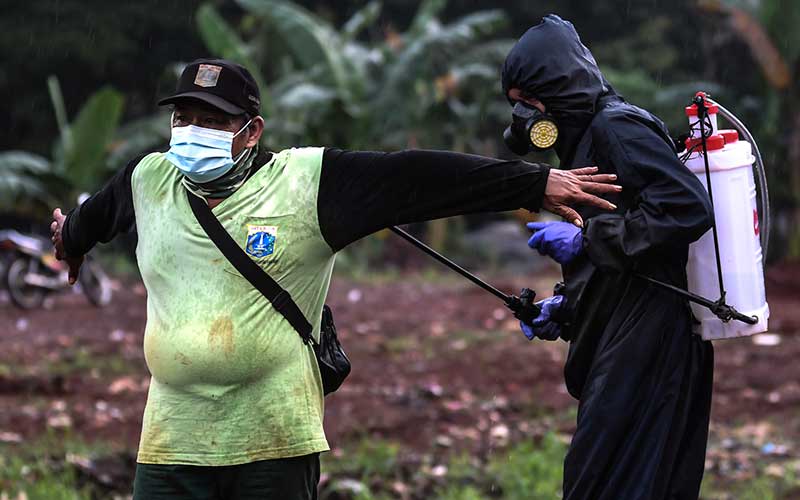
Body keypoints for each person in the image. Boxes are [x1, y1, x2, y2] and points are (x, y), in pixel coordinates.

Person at [49, 58, 620, 499]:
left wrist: (532, 183)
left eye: (213, 121)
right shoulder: (148, 179)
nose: (192, 132)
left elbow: (416, 177)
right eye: (183, 119)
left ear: (251, 131)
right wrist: (69, 242)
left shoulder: (306, 183)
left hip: (273, 441)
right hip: (172, 443)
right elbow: (90, 218)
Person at [503, 15, 715, 500]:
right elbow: (624, 250)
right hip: (622, 334)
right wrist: (566, 307)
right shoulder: (583, 143)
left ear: (558, 88)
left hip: (655, 339)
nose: (525, 119)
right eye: (515, 106)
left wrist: (586, 242)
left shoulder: (616, 127)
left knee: (611, 483)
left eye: (529, 103)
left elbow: (686, 208)